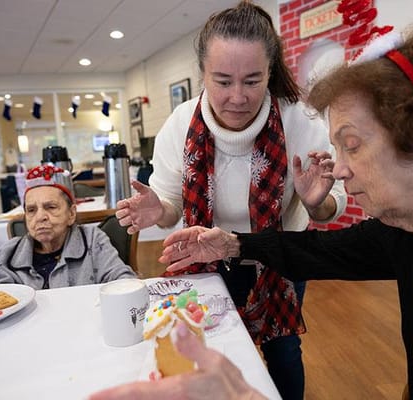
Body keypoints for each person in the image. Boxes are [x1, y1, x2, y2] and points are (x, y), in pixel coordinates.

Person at [96, 23, 413, 399]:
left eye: (353, 145)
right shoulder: (409, 231)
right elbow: (319, 250)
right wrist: (230, 242)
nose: (339, 168)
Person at [115, 2, 346, 398]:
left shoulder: (300, 121)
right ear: (202, 73)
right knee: (208, 344)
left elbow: (329, 204)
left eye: (252, 80)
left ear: (270, 72)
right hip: (208, 256)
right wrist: (161, 210)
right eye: (222, 81)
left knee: (284, 348)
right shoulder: (180, 125)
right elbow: (171, 203)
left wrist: (315, 203)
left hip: (280, 253)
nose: (237, 97)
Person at [0, 165, 137, 289]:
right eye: (31, 210)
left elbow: (123, 280)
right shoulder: (8, 254)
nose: (40, 217)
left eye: (50, 207)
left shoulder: (92, 241)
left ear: (71, 214)